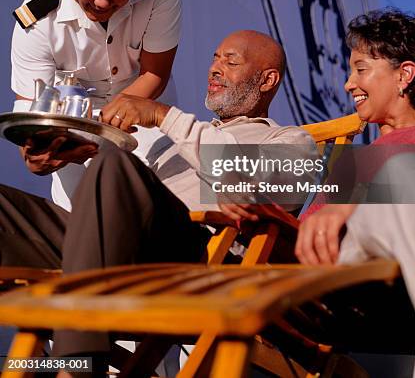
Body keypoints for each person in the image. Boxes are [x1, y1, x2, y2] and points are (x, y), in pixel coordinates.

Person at [0, 30, 317, 372]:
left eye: (231, 61)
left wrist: (165, 117)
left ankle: (76, 366)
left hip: (193, 260)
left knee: (117, 165)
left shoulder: (292, 141)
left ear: (267, 79)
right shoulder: (177, 139)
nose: (215, 68)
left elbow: (245, 187)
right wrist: (65, 153)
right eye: (214, 58)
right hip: (107, 251)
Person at [295, 9, 415, 376]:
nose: (349, 84)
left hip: (408, 284)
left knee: (403, 171)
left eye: (361, 69)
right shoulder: (351, 163)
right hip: (342, 295)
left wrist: (359, 202)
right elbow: (305, 238)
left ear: (405, 74)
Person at [11, 0, 181, 210]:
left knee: (159, 211)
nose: (103, 2)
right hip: (72, 127)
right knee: (78, 227)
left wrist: (98, 132)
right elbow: (32, 107)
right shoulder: (36, 18)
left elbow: (154, 74)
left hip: (144, 115)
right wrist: (37, 149)